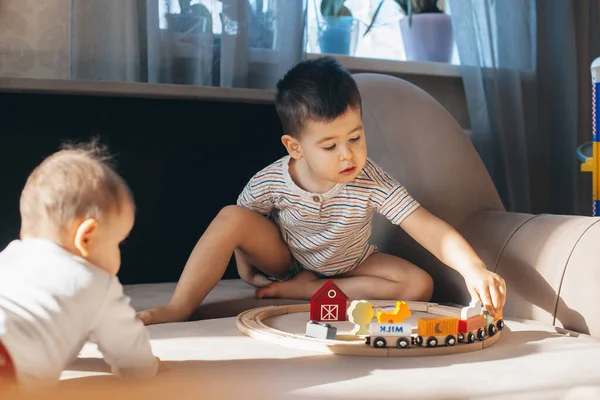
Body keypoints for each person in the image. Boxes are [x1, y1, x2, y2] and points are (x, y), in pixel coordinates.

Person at [138, 56, 506, 326]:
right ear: (295, 147)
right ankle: (179, 307)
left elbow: (428, 228)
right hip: (286, 259)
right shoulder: (272, 180)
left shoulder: (371, 179)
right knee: (231, 215)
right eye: (329, 146)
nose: (347, 154)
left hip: (351, 263)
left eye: (356, 137)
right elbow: (241, 224)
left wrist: (473, 269)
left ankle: (308, 290)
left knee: (418, 285)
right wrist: (244, 264)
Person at [0, 139, 163, 389]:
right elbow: (131, 353)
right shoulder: (97, 283)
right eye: (118, 242)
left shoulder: (10, 256)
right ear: (87, 237)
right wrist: (146, 368)